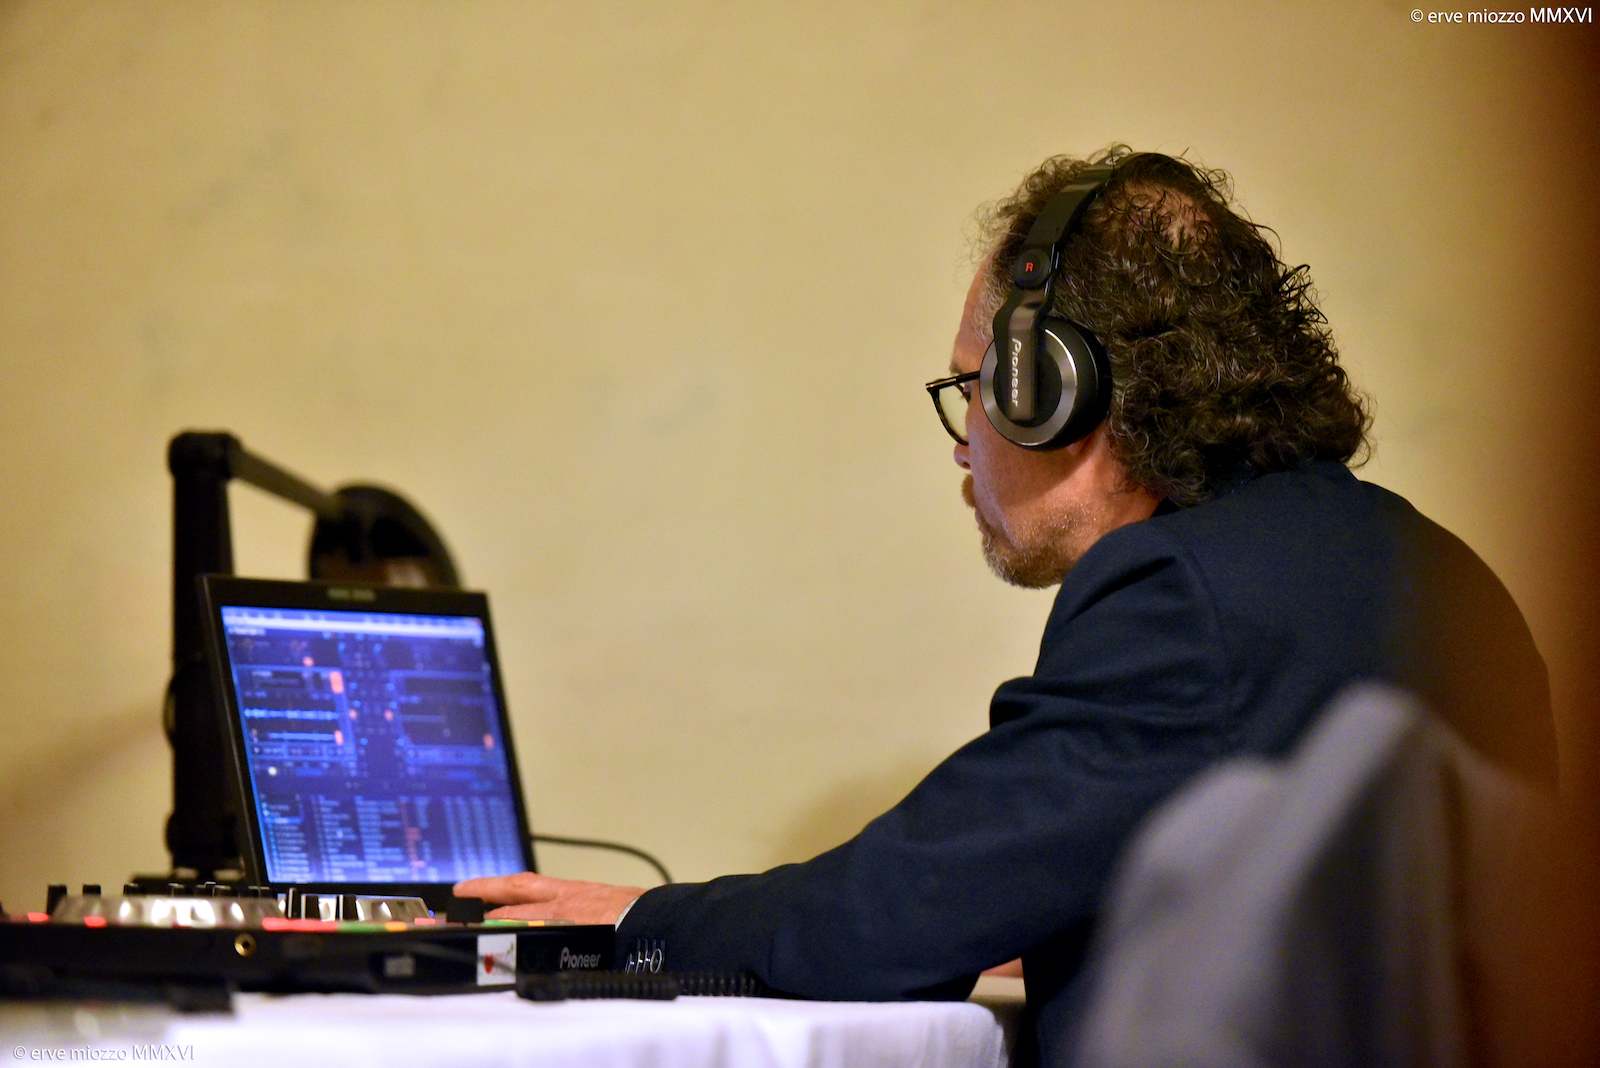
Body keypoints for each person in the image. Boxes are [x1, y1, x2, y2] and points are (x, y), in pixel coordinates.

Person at [455, 148, 1557, 1063]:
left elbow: (882, 917)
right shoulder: (1442, 574)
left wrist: (634, 920)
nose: (961, 445)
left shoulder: (1179, 596)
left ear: (1049, 390)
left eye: (971, 388)